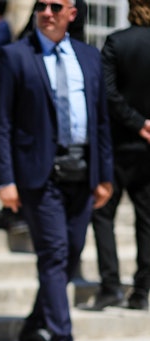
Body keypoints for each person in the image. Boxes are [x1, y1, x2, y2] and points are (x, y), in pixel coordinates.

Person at [0, 0, 113, 341]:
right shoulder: (15, 57)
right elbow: (1, 123)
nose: (46, 12)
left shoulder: (89, 57)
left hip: (82, 173)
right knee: (55, 255)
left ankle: (33, 326)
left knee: (70, 255)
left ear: (71, 13)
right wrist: (5, 180)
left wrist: (105, 174)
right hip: (40, 178)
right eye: (41, 5)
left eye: (55, 6)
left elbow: (101, 120)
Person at [85, 0, 150, 311]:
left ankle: (110, 286)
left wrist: (138, 123)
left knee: (103, 214)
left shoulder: (116, 42)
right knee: (147, 220)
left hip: (117, 145)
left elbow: (107, 93)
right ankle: (141, 292)